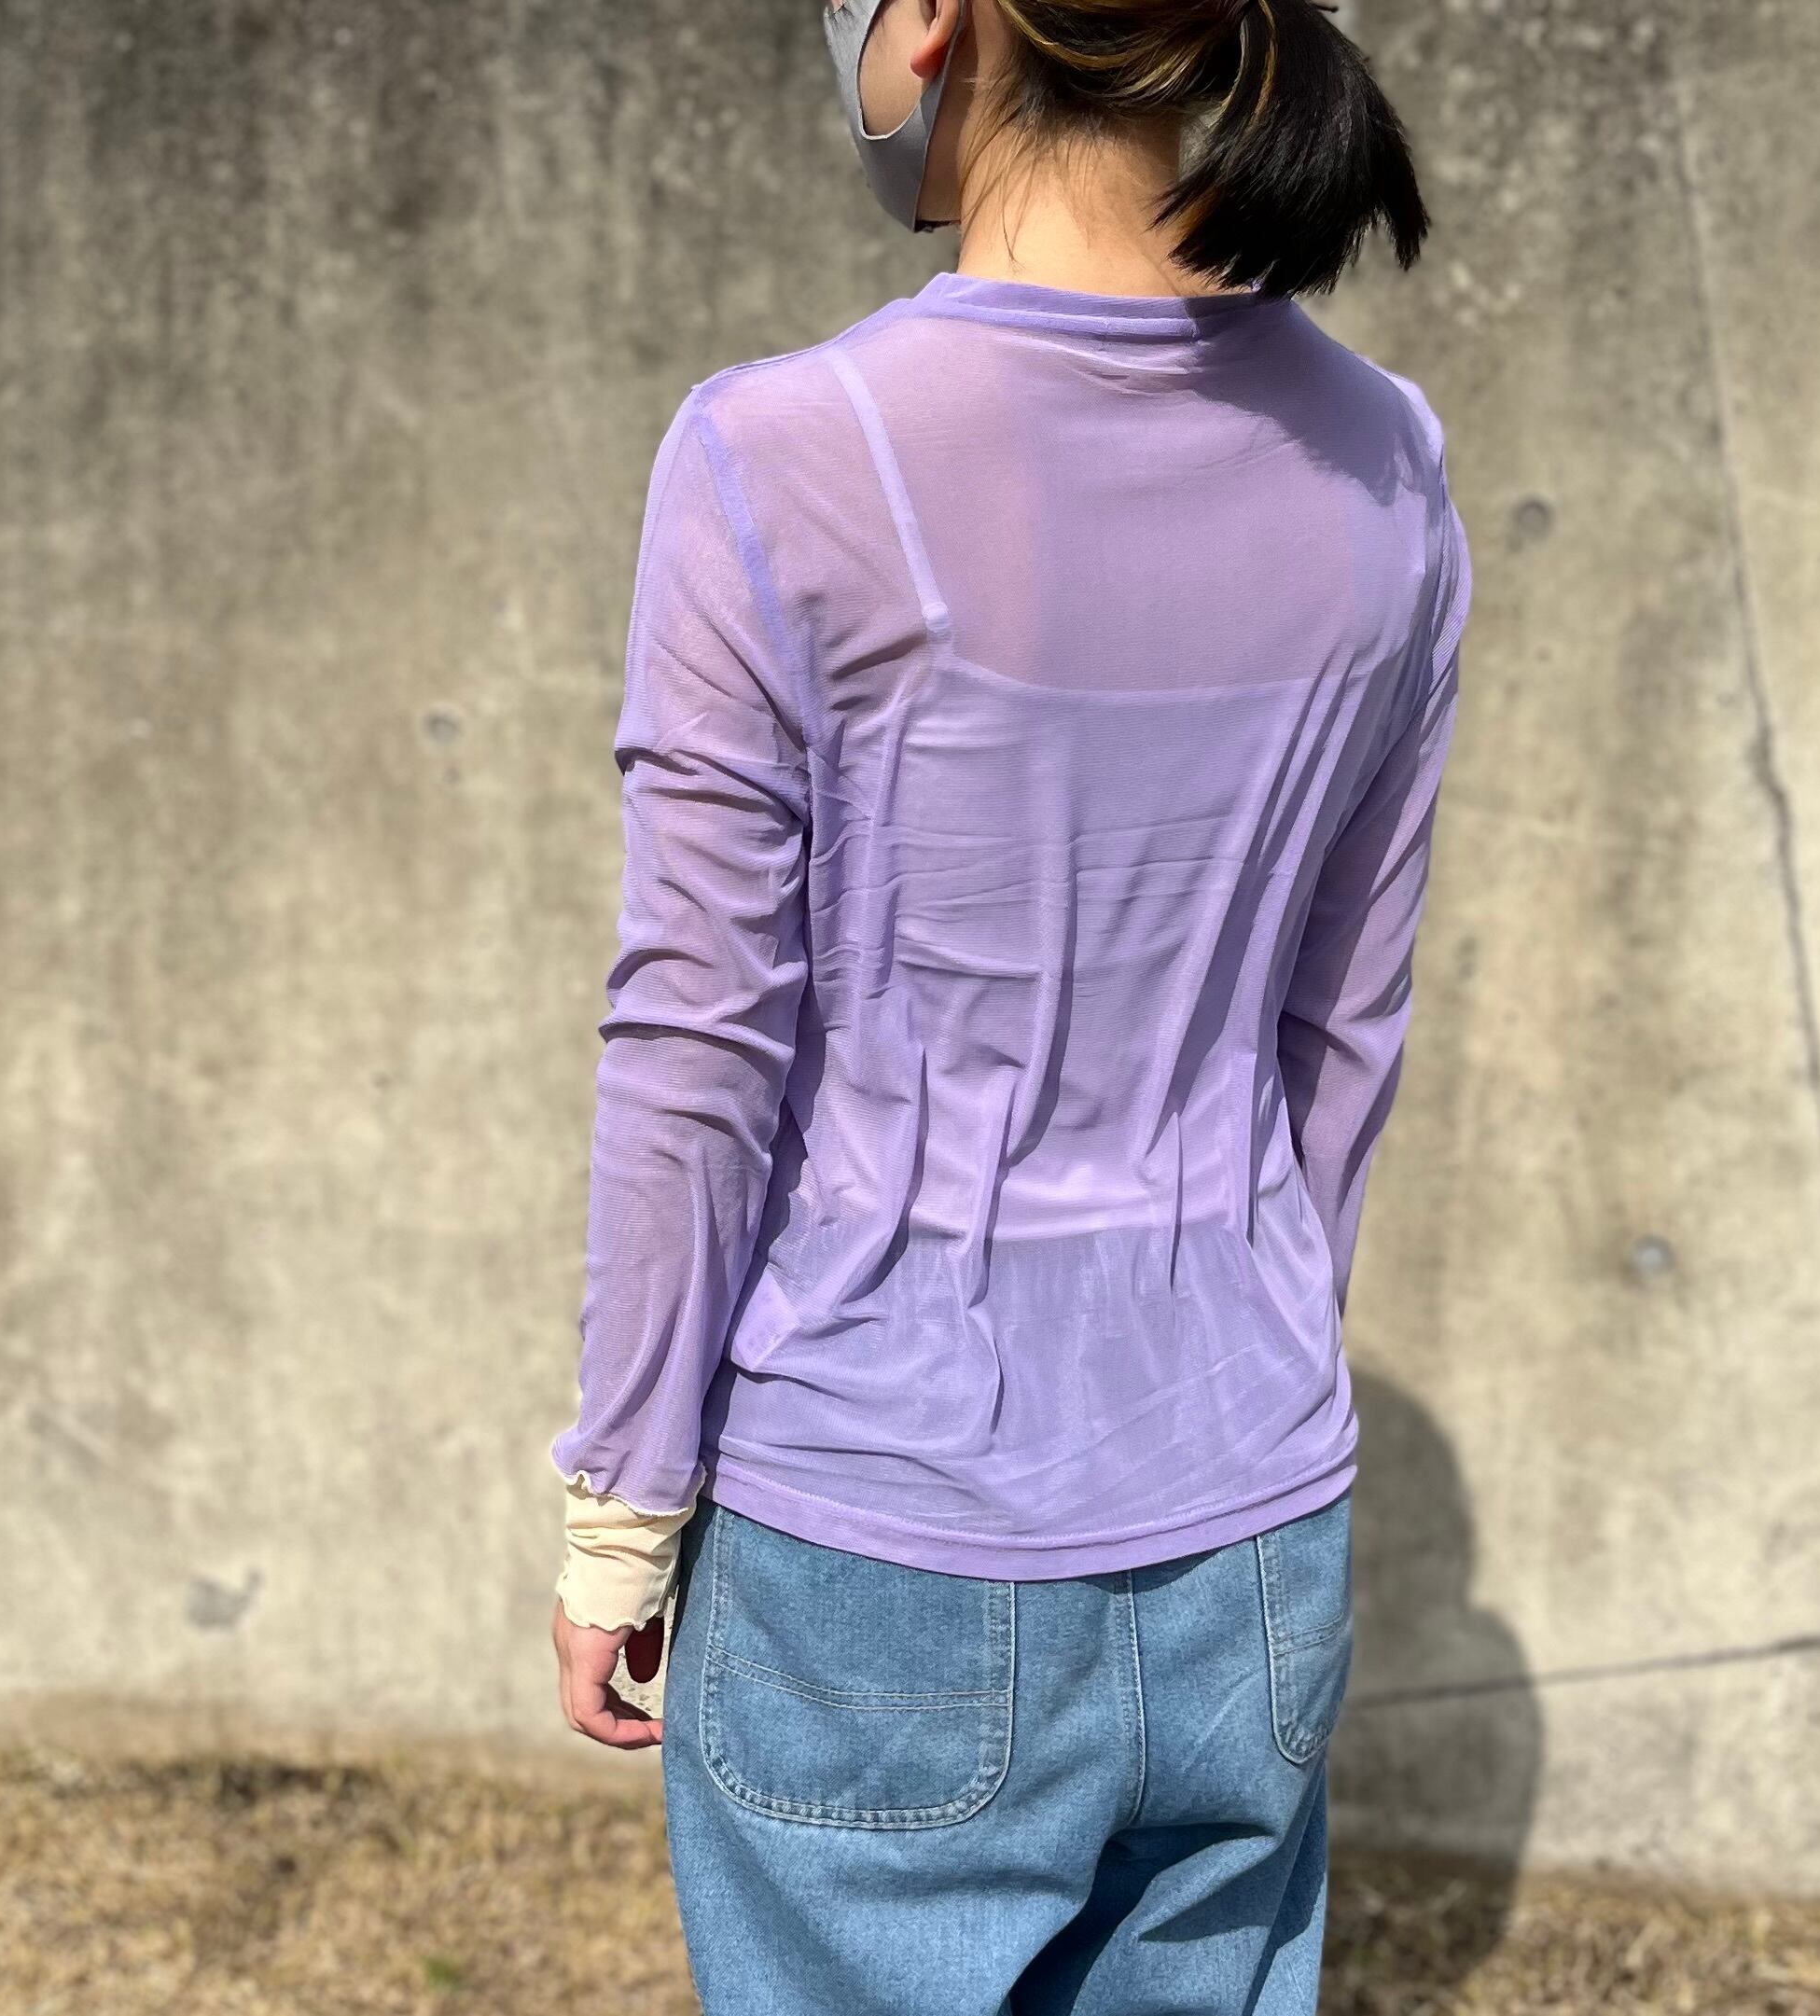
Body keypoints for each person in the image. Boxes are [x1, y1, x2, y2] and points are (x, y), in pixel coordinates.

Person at [549, 0, 1470, 2008]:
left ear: (943, 22)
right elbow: (1345, 1017)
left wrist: (622, 1506)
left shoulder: (779, 456)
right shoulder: (1383, 461)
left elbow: (701, 1038)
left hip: (875, 1529)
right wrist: (1235, 1372)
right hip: (1250, 1517)